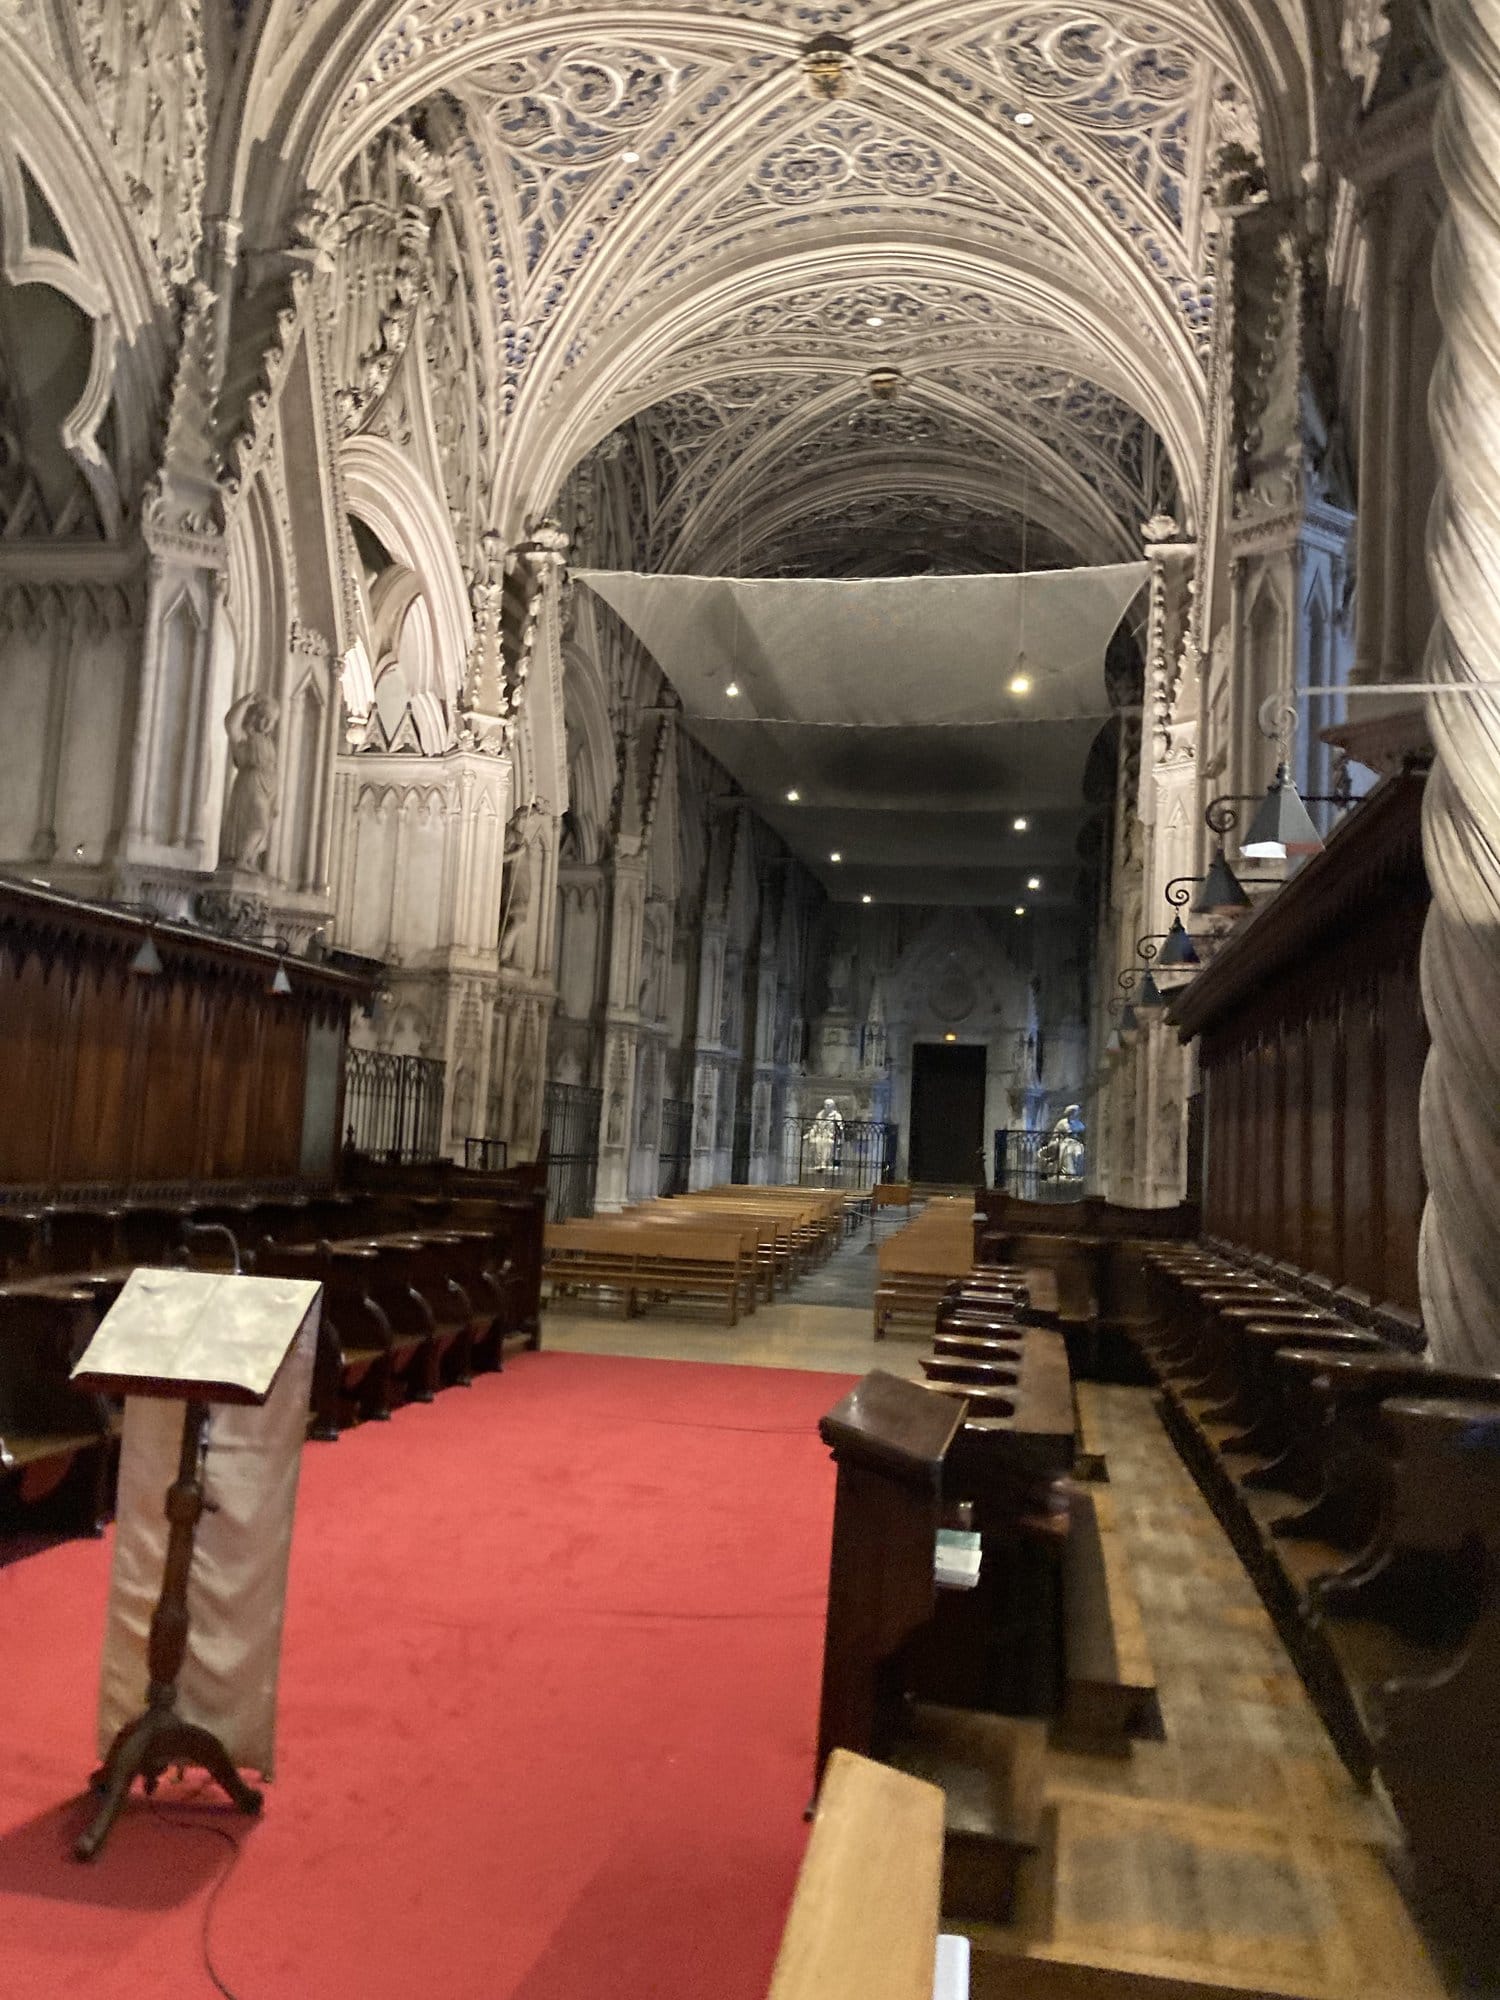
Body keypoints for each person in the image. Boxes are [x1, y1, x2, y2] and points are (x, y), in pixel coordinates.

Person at [220, 693, 279, 870]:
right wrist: (244, 703)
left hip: (267, 787)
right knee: (258, 824)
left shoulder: (268, 742)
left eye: (271, 720)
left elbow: (272, 769)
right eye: (263, 717)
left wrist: (274, 800)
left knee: (263, 828)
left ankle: (249, 861)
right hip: (251, 784)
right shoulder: (247, 737)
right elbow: (230, 725)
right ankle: (241, 859)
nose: (267, 723)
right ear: (255, 716)